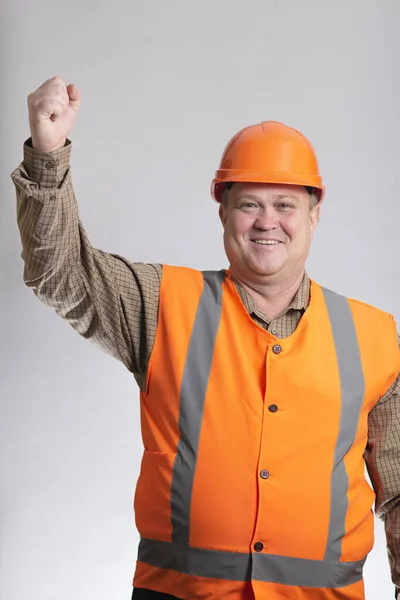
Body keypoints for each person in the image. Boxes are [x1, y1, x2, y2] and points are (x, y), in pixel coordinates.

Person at [10, 76, 400, 600]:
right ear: (222, 212)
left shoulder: (376, 335)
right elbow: (59, 272)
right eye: (248, 204)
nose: (268, 222)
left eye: (285, 204)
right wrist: (48, 152)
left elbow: (398, 490)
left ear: (314, 213)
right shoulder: (161, 303)